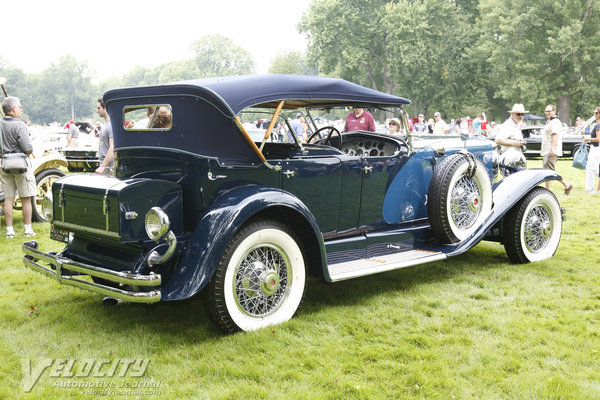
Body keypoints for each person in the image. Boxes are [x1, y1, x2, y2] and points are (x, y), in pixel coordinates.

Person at [0, 97, 36, 238]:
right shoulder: (20, 125)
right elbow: (27, 148)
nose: (21, 109)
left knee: (8, 198)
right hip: (20, 164)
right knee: (25, 198)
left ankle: (10, 231)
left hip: (4, 164)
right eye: (19, 107)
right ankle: (28, 230)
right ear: (13, 109)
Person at [542, 104, 572, 195]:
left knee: (550, 171)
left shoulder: (555, 122)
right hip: (546, 150)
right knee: (546, 171)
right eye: (546, 111)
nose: (547, 113)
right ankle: (547, 189)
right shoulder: (550, 121)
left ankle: (566, 185)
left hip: (551, 150)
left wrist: (552, 149)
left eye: (549, 111)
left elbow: (555, 135)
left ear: (554, 111)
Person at [582, 107, 600, 193]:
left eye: (596, 113)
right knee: (589, 167)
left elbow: (598, 139)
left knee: (594, 168)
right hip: (593, 148)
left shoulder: (598, 125)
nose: (594, 114)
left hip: (596, 148)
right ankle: (590, 187)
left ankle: (595, 188)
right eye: (594, 112)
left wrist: (588, 139)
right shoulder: (596, 124)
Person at [95, 98, 114, 175]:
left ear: (105, 108)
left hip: (108, 166)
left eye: (99, 108)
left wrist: (103, 166)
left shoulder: (110, 125)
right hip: (105, 164)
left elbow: (112, 148)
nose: (97, 111)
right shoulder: (106, 124)